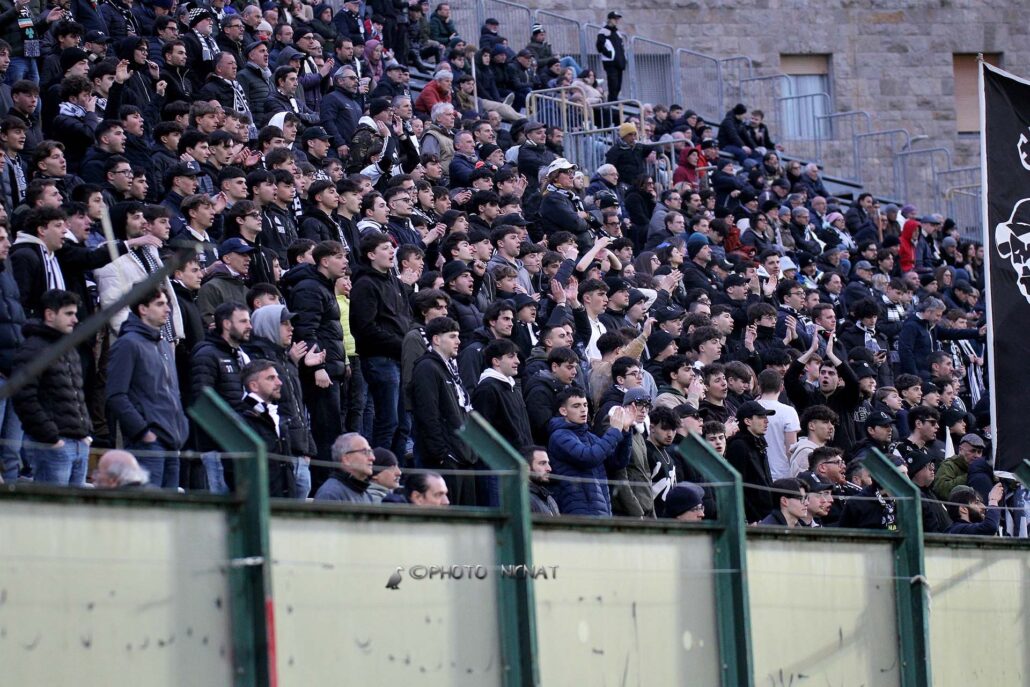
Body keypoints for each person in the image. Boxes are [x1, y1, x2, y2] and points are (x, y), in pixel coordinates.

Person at [105, 288, 188, 488]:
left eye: (167, 304)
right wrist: (143, 432)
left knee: (168, 506)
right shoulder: (127, 344)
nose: (167, 309)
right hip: (148, 444)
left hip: (171, 442)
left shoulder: (164, 345)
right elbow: (116, 395)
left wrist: (181, 428)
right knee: (147, 502)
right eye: (160, 304)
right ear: (142, 309)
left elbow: (173, 393)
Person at [12, 289, 91, 486]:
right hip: (53, 446)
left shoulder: (68, 347)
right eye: (68, 313)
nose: (75, 319)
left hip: (78, 443)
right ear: (49, 314)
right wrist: (51, 438)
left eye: (75, 313)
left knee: (75, 506)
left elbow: (76, 394)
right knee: (51, 506)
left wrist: (86, 434)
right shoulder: (33, 349)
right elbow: (24, 398)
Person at [349, 231, 412, 457]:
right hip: (380, 360)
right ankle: (378, 471)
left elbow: (406, 317)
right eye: (385, 248)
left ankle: (395, 472)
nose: (392, 251)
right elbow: (365, 328)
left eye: (392, 247)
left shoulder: (395, 282)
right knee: (388, 422)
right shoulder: (364, 284)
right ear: (371, 254)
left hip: (400, 359)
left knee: (404, 425)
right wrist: (402, 345)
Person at [409, 316, 476, 504]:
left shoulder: (450, 369)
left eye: (458, 336)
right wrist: (441, 453)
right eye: (452, 336)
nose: (458, 341)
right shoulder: (426, 368)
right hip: (447, 459)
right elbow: (427, 414)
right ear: (437, 339)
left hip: (463, 457)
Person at [547, 387, 634, 516]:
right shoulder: (559, 436)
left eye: (585, 405)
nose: (583, 410)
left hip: (600, 510)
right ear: (563, 411)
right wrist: (615, 431)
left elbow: (617, 462)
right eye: (576, 406)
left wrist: (625, 431)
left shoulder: (590, 437)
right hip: (577, 511)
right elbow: (589, 457)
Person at [239, 360, 296, 498]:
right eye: (271, 378)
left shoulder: (276, 415)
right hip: (259, 502)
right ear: (254, 386)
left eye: (277, 377)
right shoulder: (243, 419)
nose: (279, 383)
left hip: (283, 502)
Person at [725, 400, 777, 523]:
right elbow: (737, 486)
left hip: (765, 514)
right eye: (761, 417)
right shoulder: (738, 446)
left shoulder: (759, 443)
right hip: (752, 519)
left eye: (766, 417)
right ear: (747, 421)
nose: (766, 421)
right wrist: (750, 518)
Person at [313, 432, 376, 503]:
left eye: (370, 452)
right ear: (346, 459)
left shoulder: (366, 495)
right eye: (365, 452)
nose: (372, 458)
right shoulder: (330, 494)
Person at [595, 11, 626, 101]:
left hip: (619, 63)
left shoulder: (617, 33)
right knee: (613, 85)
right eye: (614, 18)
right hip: (610, 63)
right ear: (609, 19)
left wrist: (623, 59)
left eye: (617, 19)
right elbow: (599, 46)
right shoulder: (603, 31)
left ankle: (614, 103)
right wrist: (610, 55)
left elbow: (621, 47)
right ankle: (612, 104)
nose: (616, 20)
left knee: (618, 86)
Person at [522, 445, 560, 515]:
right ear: (526, 468)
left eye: (548, 463)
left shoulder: (549, 498)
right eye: (542, 463)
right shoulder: (521, 498)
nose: (549, 468)